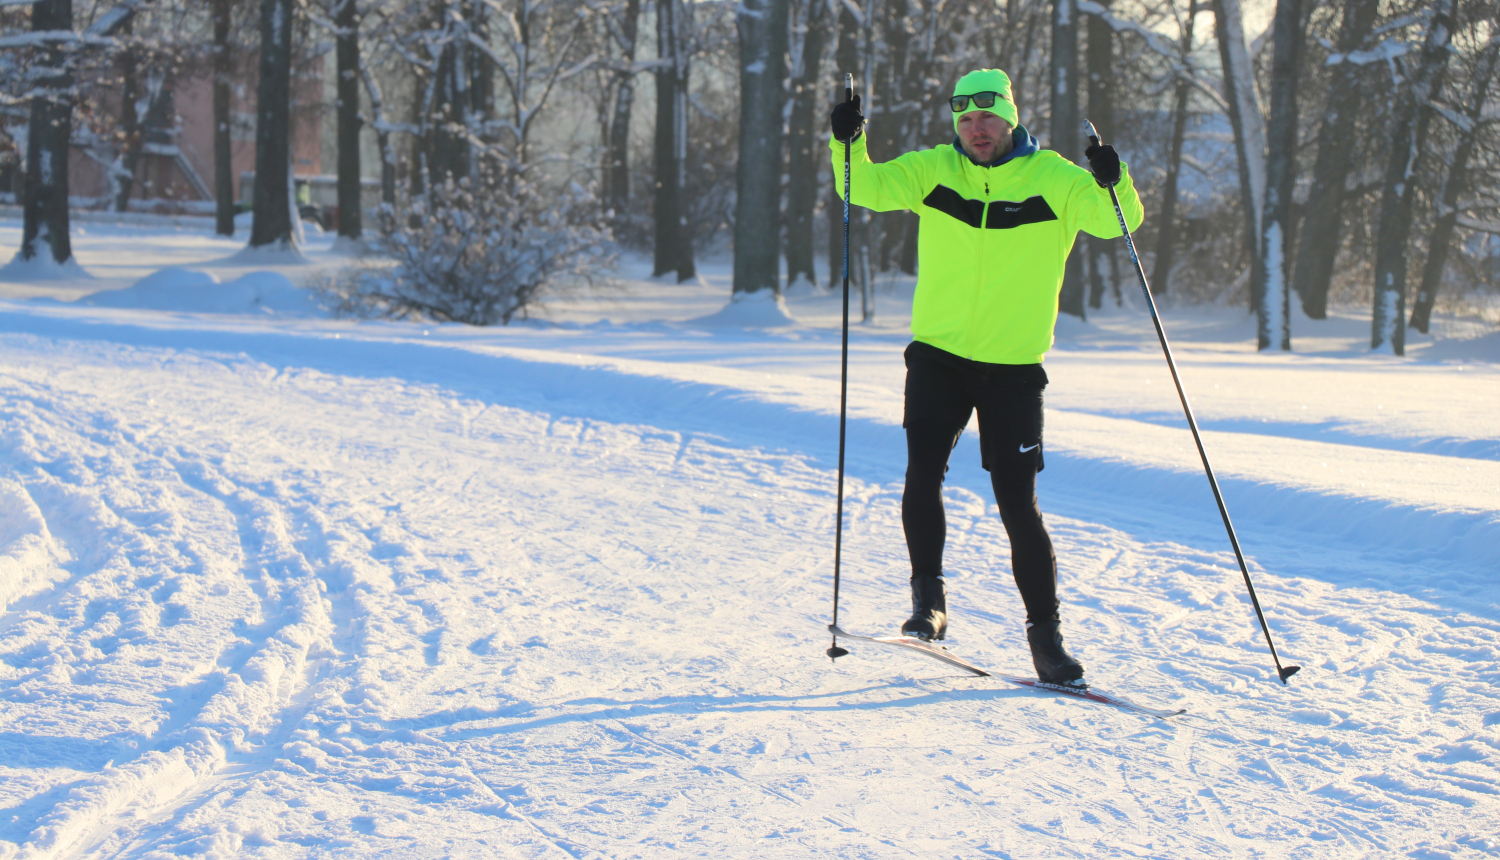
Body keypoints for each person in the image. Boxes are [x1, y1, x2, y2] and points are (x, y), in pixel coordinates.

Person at [828, 69, 1143, 685]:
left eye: (987, 118)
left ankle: (1046, 640)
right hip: (938, 358)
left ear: (1010, 118)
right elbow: (859, 186)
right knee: (923, 474)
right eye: (966, 120)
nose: (976, 130)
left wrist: (1115, 179)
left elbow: (1116, 222)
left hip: (1012, 369)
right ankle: (929, 606)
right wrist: (847, 141)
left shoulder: (1053, 178)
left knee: (1017, 505)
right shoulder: (932, 170)